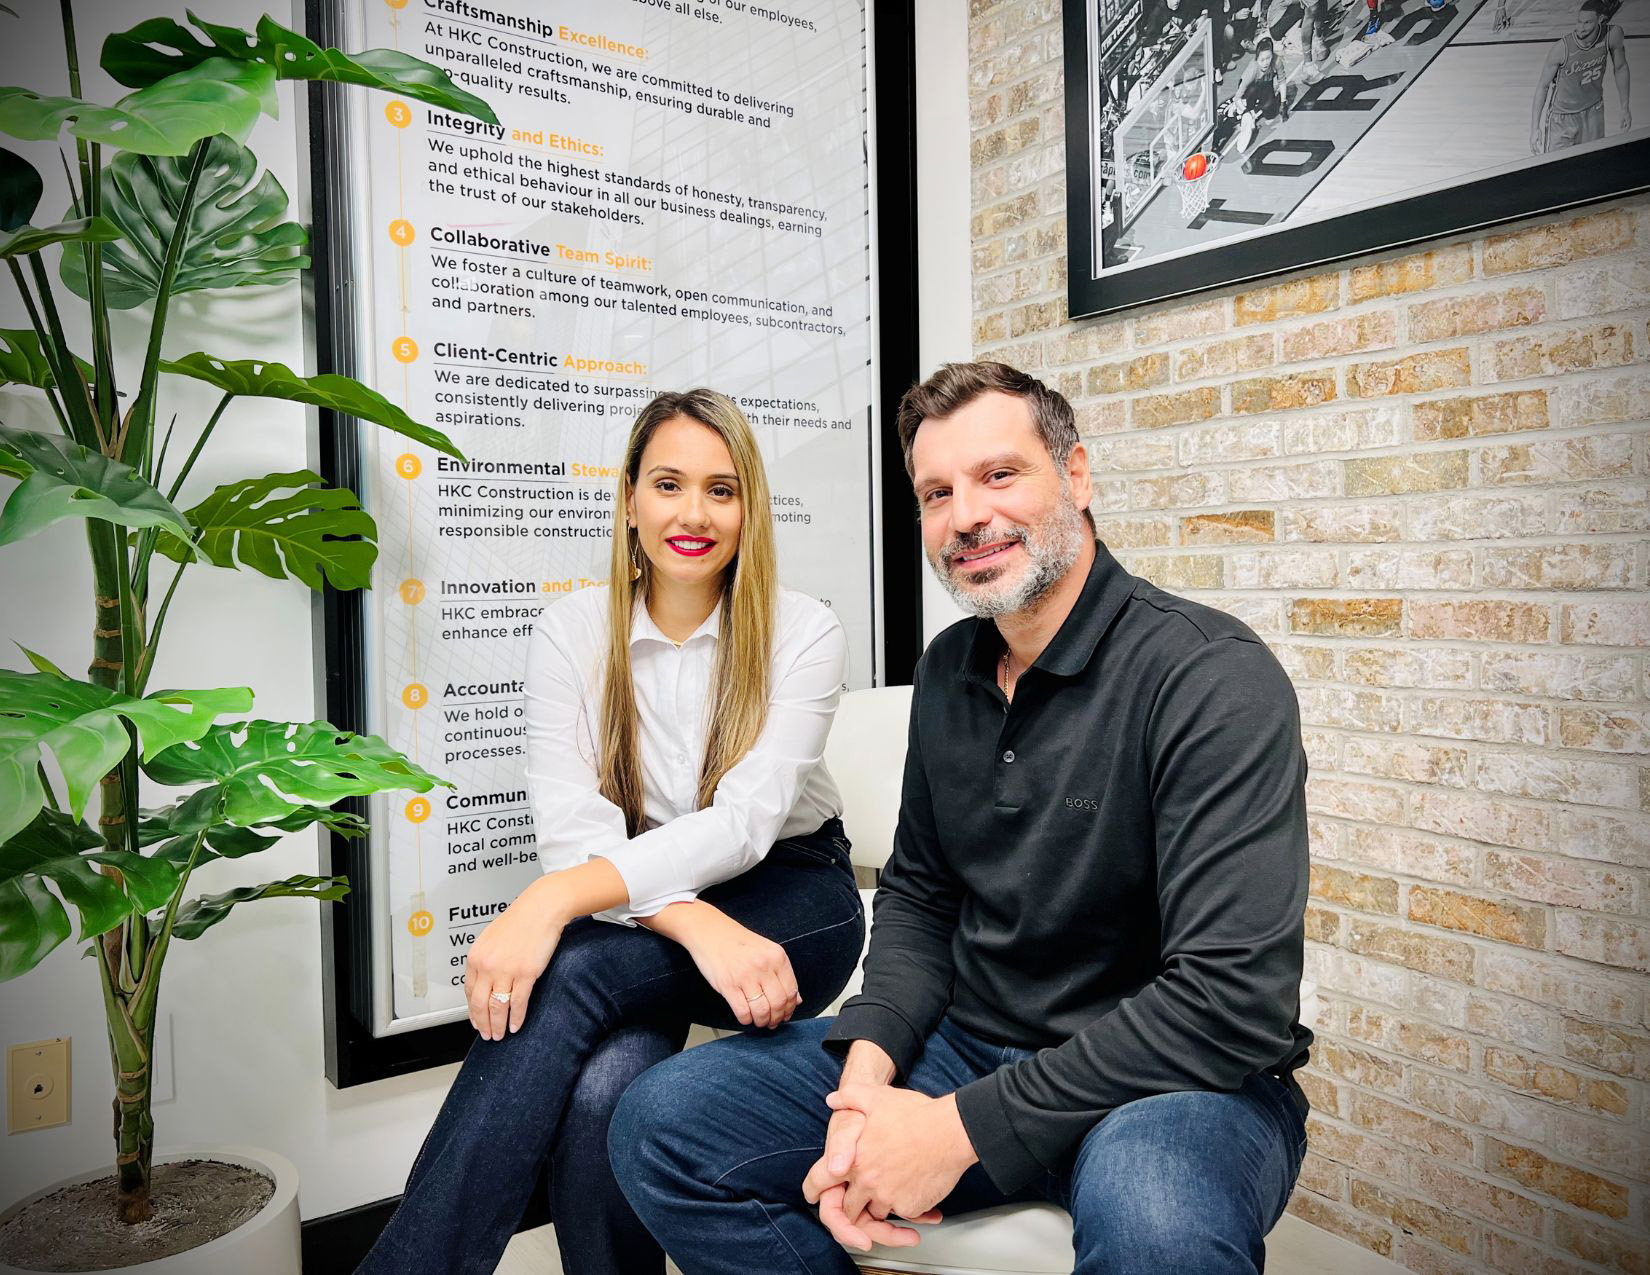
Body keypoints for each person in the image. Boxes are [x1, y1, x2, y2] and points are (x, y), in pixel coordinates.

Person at [609, 361, 1312, 1275]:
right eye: (937, 493)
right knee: (661, 1122)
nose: (966, 516)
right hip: (968, 1044)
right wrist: (868, 1066)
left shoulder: (1211, 677)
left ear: (1079, 476)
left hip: (1173, 1082)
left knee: (1160, 1239)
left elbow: (1229, 1005)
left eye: (999, 475)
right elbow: (923, 898)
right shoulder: (951, 668)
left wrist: (954, 1132)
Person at [357, 389, 865, 1275]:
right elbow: (573, 828)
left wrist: (555, 901)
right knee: (603, 1088)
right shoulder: (570, 631)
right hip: (657, 903)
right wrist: (690, 917)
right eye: (669, 484)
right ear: (629, 496)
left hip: (794, 902)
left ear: (750, 506)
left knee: (575, 963)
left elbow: (744, 823)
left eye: (722, 488)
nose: (693, 514)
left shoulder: (803, 629)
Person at [1531, 0, 1631, 153]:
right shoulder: (1561, 49)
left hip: (1594, 112)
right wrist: (1535, 128)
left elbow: (1621, 67)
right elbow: (1543, 86)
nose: (1581, 28)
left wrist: (1624, 107)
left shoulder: (1613, 35)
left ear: (1601, 19)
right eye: (1579, 22)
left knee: (1592, 167)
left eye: (1587, 23)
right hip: (1562, 118)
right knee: (1556, 171)